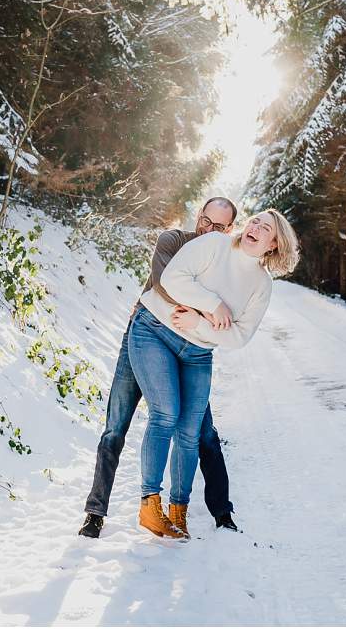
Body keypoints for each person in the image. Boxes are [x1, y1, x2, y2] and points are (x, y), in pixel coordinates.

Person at [129, 208, 299, 539]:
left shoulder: (261, 286)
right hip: (156, 329)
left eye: (265, 229)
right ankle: (150, 504)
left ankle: (178, 510)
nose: (255, 228)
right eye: (255, 221)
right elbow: (172, 278)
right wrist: (214, 306)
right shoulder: (215, 244)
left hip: (197, 351)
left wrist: (200, 323)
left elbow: (239, 336)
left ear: (274, 244)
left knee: (191, 432)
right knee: (165, 415)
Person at [78, 197, 240, 540]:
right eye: (207, 222)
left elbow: (225, 311)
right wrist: (207, 308)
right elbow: (167, 283)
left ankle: (222, 512)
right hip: (142, 340)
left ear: (230, 231)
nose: (210, 231)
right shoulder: (172, 240)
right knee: (115, 427)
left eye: (220, 227)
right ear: (199, 217)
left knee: (203, 432)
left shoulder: (221, 263)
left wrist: (206, 313)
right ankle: (95, 512)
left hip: (184, 351)